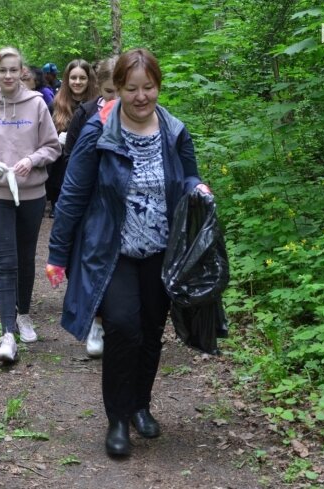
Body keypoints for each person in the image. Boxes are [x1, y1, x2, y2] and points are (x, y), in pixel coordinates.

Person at [45, 48, 212, 457]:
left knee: (152, 329)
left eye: (148, 87)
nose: (141, 97)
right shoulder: (98, 132)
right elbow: (73, 194)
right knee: (123, 327)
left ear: (158, 87)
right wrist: (57, 254)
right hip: (112, 250)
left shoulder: (174, 131)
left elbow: (187, 174)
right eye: (132, 88)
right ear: (117, 88)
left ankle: (140, 405)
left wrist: (196, 187)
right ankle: (117, 419)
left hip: (162, 250)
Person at [0, 46, 61, 363]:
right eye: (2, 70)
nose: (8, 75)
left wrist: (32, 160)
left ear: (22, 72)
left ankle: (23, 314)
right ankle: (7, 333)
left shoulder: (37, 104)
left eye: (13, 70)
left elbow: (52, 147)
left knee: (25, 257)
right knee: (6, 262)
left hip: (32, 193)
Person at [61, 55, 118, 358]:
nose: (117, 99)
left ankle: (116, 324)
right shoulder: (86, 114)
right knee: (92, 262)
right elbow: (70, 157)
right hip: (92, 204)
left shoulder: (147, 117)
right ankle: (96, 321)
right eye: (110, 92)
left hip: (125, 209)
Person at [46, 59, 97, 217]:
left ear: (89, 80)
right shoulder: (55, 105)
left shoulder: (97, 105)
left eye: (82, 78)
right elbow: (44, 138)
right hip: (60, 171)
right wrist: (57, 140)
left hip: (88, 170)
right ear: (67, 79)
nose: (77, 82)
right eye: (73, 78)